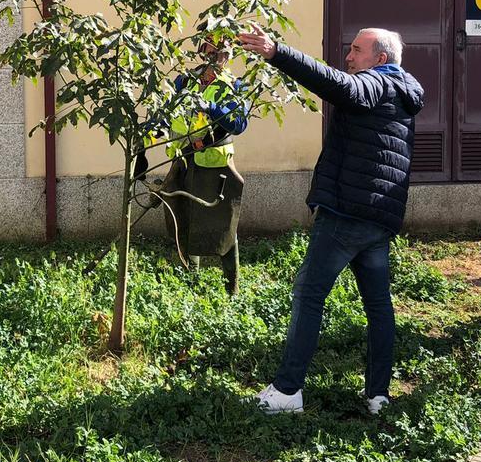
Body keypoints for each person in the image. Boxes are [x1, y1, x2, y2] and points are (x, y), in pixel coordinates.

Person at [236, 25, 424, 415]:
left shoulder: (377, 84)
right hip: (378, 218)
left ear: (380, 59)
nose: (349, 57)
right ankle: (378, 395)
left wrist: (278, 53)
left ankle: (287, 391)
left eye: (357, 50)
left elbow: (339, 85)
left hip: (346, 212)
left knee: (309, 294)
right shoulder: (402, 91)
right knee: (378, 304)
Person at [151, 34, 249, 294]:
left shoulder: (235, 85)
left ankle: (232, 287)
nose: (217, 55)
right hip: (182, 161)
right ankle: (189, 283)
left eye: (223, 51)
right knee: (183, 217)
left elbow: (238, 124)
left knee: (223, 222)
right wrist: (154, 130)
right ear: (202, 50)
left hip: (216, 165)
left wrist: (211, 107)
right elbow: (167, 112)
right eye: (211, 49)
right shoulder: (185, 81)